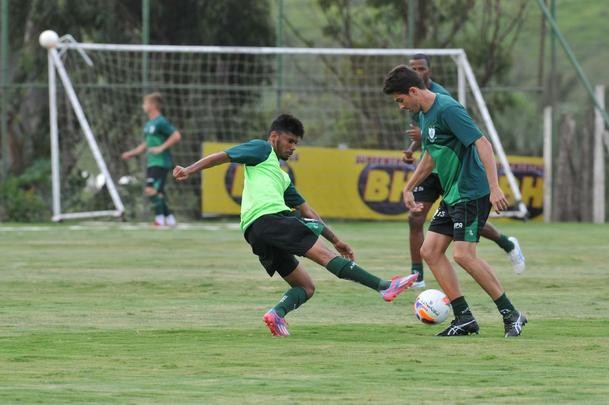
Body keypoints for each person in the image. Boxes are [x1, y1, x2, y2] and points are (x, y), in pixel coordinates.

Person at [172, 114, 418, 336]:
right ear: (273, 137)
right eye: (289, 141)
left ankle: (276, 314)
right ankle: (384, 286)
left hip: (255, 232)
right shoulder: (261, 149)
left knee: (305, 287)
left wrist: (338, 240)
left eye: (295, 143)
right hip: (270, 220)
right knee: (324, 256)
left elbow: (308, 211)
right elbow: (222, 157)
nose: (292, 147)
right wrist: (189, 170)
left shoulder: (282, 177)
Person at [383, 65, 527, 337]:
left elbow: (482, 143)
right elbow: (431, 155)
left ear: (413, 91)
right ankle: (464, 318)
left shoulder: (448, 109)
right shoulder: (424, 115)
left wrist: (495, 186)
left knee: (463, 255)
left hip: (471, 192)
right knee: (430, 251)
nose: (401, 106)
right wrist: (409, 186)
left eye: (401, 100)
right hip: (452, 195)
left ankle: (511, 313)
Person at [404, 54, 525, 289]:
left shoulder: (442, 100)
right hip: (432, 165)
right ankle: (417, 275)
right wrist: (411, 149)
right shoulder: (412, 99)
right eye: (413, 68)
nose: (417, 72)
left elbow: (470, 139)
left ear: (429, 71)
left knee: (463, 228)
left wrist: (494, 186)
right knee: (416, 217)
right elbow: (428, 137)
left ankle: (506, 244)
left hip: (456, 171)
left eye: (421, 68)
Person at [122, 92, 182, 227]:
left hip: (161, 162)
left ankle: (160, 220)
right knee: (157, 192)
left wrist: (161, 148)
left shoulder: (161, 121)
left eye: (145, 103)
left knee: (150, 190)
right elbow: (146, 144)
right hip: (152, 162)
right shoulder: (149, 124)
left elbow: (176, 135)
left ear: (153, 105)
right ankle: (170, 220)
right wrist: (131, 153)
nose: (143, 106)